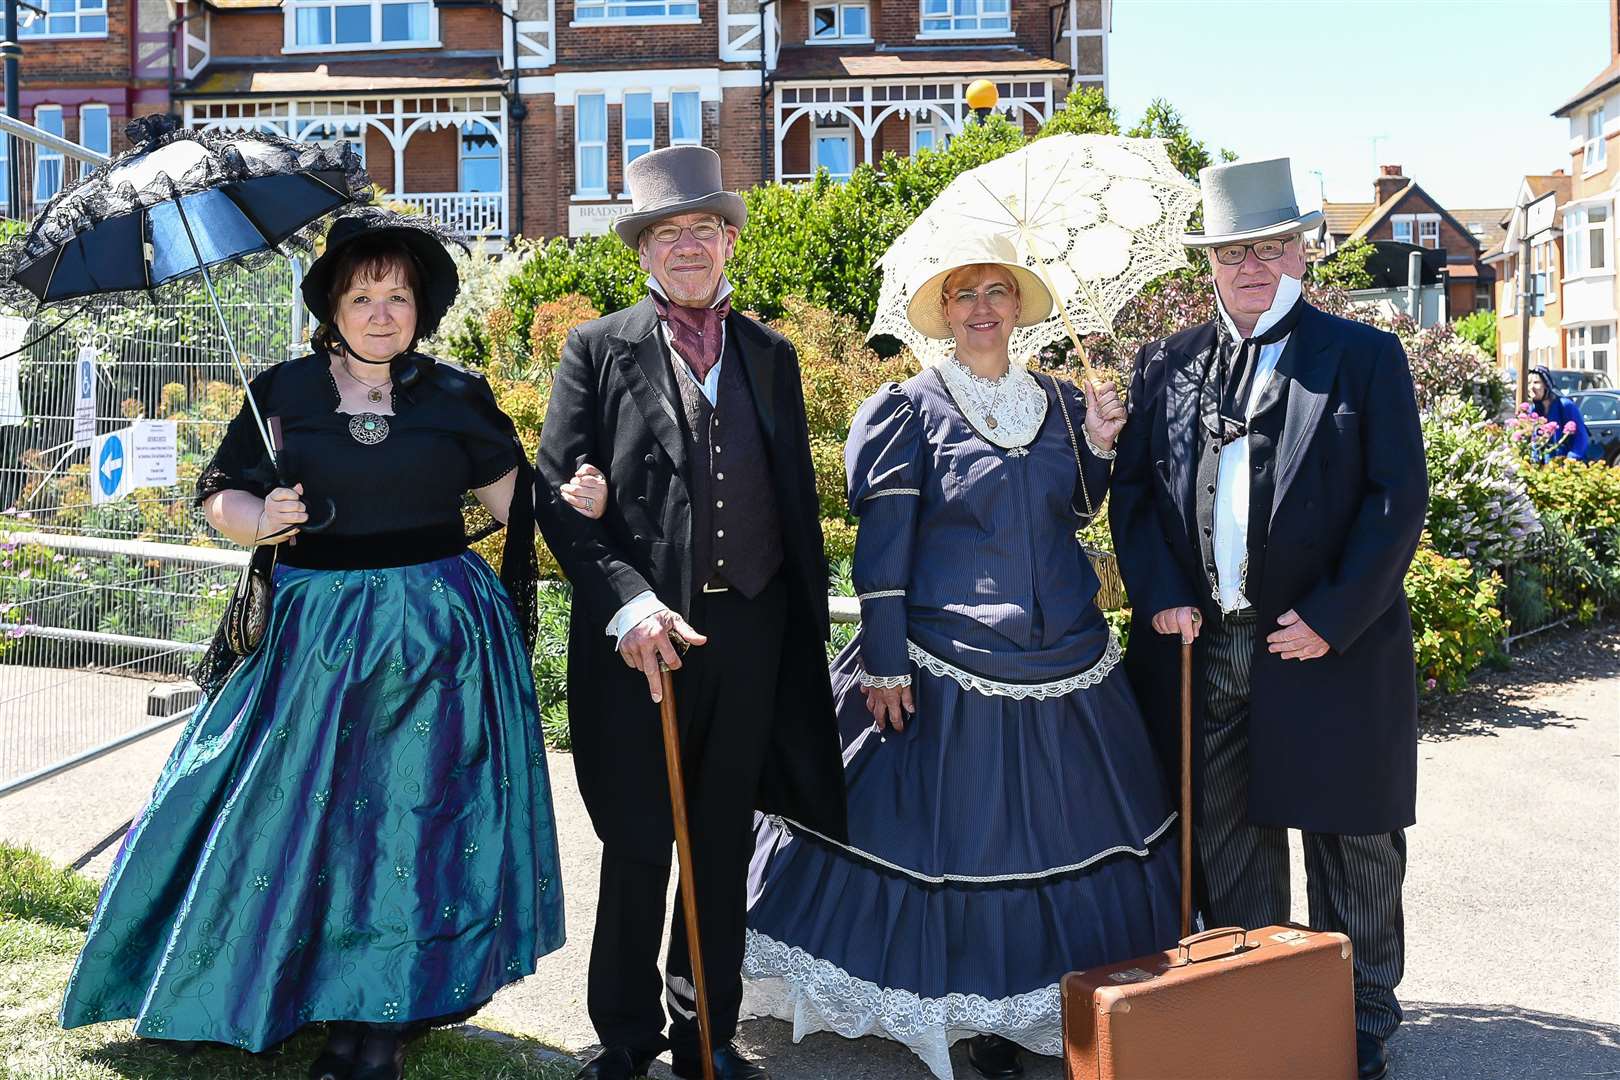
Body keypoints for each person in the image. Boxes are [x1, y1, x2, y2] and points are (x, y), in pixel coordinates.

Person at [58, 207, 566, 1080]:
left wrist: (575, 499)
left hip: (439, 643)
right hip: (316, 642)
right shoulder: (283, 394)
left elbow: (509, 503)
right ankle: (325, 1003)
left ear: (422, 308)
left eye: (397, 297)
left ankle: (392, 1009)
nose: (380, 312)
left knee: (417, 820)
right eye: (363, 295)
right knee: (316, 821)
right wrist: (263, 515)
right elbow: (220, 496)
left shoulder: (456, 396)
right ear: (331, 305)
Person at [733, 236, 1180, 1080]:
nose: (982, 308)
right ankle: (970, 1012)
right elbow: (884, 548)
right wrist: (886, 661)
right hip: (947, 660)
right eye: (965, 294)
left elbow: (1074, 512)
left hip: (1068, 659)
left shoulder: (1056, 396)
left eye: (997, 292)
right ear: (943, 313)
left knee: (1056, 837)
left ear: (1019, 307)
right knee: (962, 842)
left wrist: (1098, 442)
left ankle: (1055, 1002)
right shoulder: (910, 407)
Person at [1110, 158, 1429, 1080]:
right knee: (1228, 835)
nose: (1254, 266)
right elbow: (1133, 497)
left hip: (1333, 645)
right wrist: (1162, 590)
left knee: (1353, 841)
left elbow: (1393, 501)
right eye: (1234, 251)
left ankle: (1362, 1011)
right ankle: (1262, 998)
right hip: (1207, 644)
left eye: (1273, 247)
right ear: (1209, 262)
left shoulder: (1364, 359)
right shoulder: (1166, 363)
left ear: (1304, 254)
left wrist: (1333, 617)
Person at [533, 145, 846, 1080]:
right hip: (643, 641)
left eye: (701, 230)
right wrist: (628, 604)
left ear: (729, 241)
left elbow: (792, 500)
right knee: (638, 840)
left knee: (719, 845)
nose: (686, 248)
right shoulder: (596, 349)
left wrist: (802, 631)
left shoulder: (771, 356)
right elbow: (557, 496)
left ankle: (704, 1035)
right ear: (642, 252)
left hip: (748, 637)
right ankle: (624, 1039)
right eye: (666, 234)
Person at [1527, 365, 1596, 461]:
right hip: (1544, 470)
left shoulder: (1565, 405)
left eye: (1536, 382)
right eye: (1529, 383)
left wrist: (1572, 458)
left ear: (1547, 385)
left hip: (1566, 466)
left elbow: (1581, 436)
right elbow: (1534, 441)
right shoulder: (1534, 410)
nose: (1531, 387)